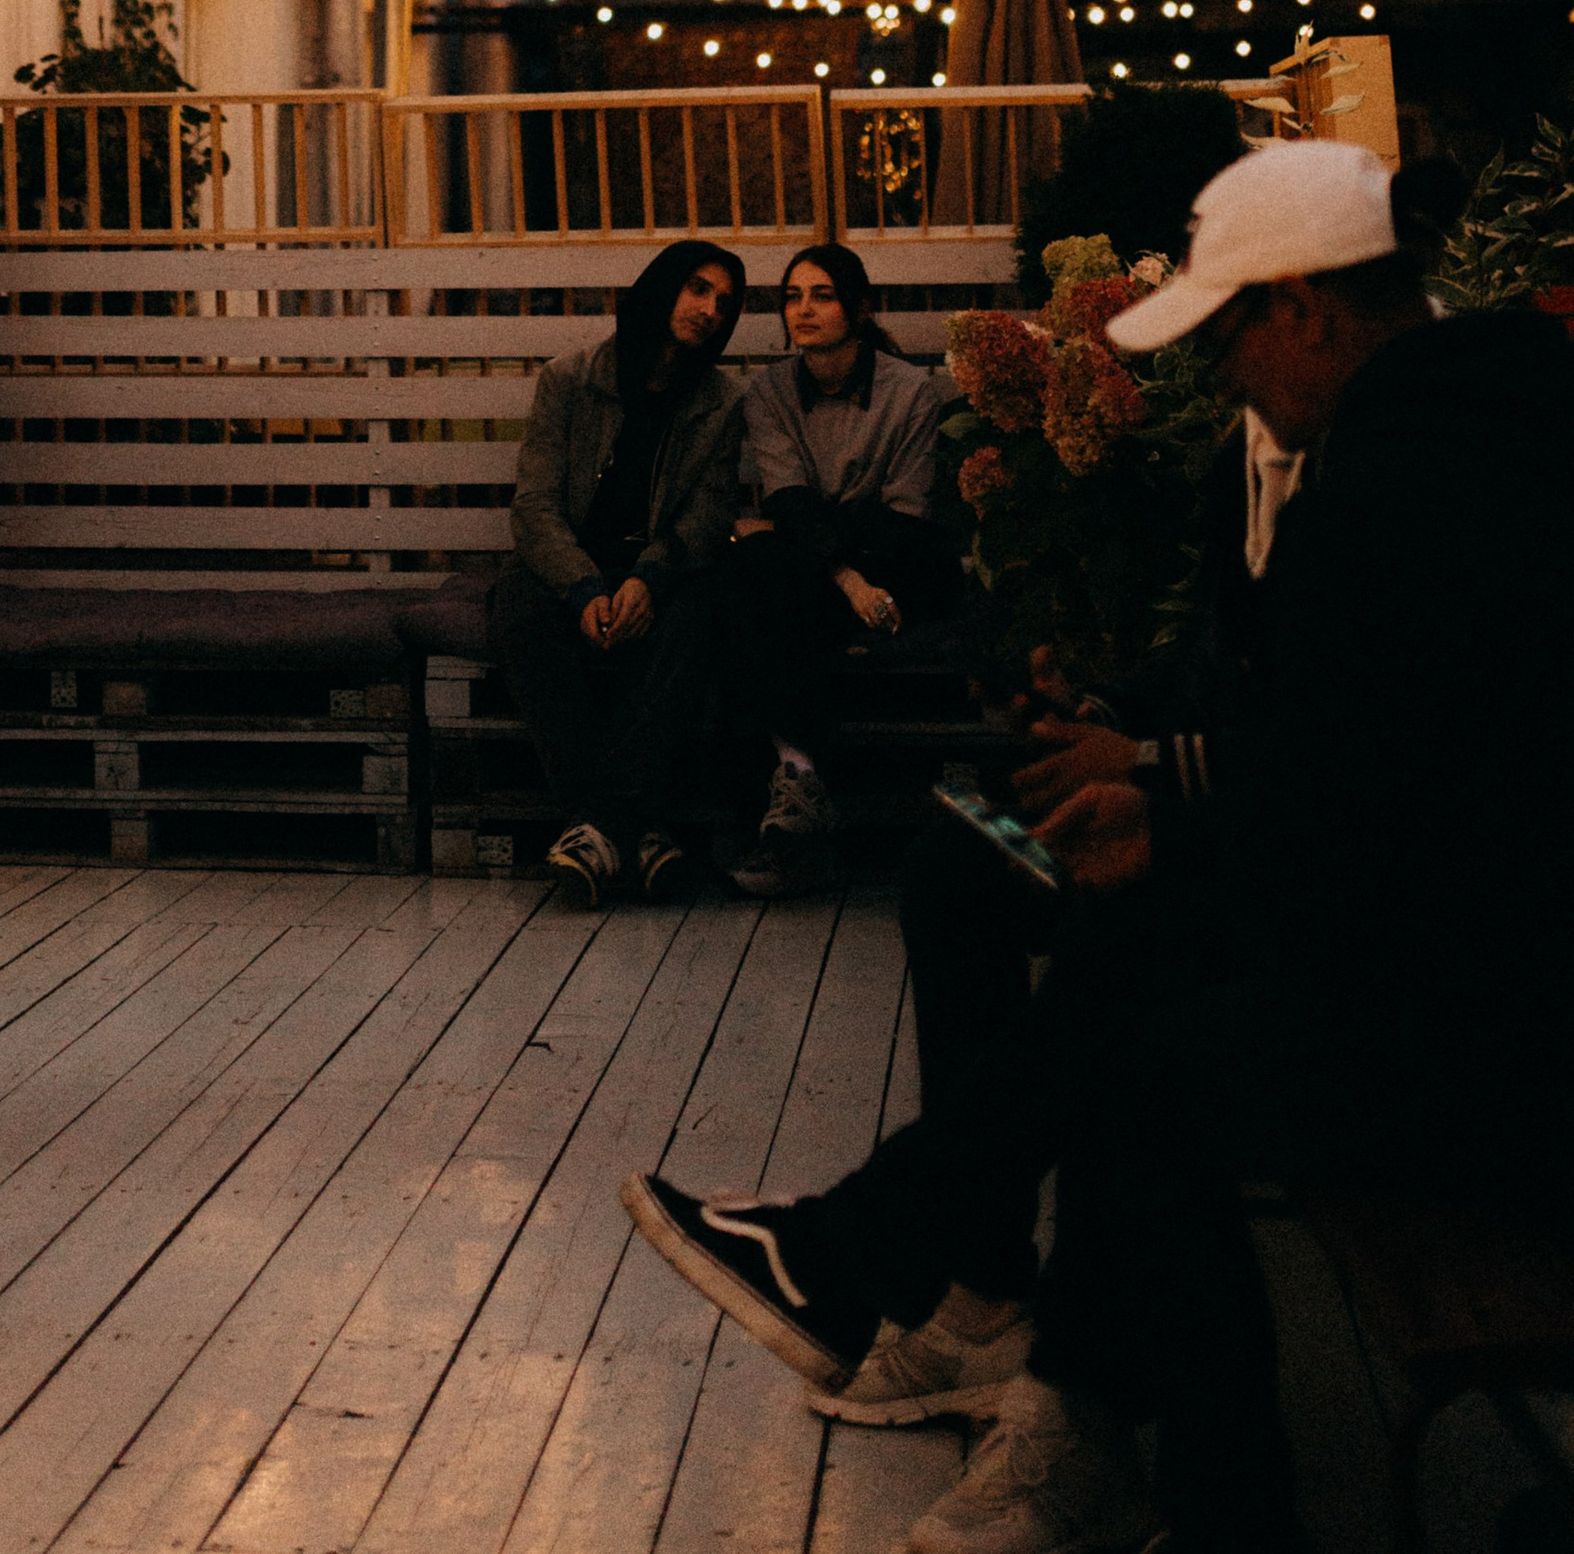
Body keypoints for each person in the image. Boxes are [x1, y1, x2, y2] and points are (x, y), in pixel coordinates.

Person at [622, 137, 1574, 1554]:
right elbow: (1361, 758)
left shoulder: (1410, 477)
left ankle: (920, 1294)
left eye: (1230, 334)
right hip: (1442, 952)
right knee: (1045, 914)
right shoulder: (1426, 434)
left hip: (1494, 1030)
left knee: (1141, 1049)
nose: (1221, 377)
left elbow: (1405, 782)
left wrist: (1171, 792)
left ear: (1305, 306)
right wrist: (1144, 755)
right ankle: (964, 1323)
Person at [490, 239, 749, 908]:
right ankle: (633, 830)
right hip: (573, 565)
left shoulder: (721, 402)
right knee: (516, 606)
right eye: (697, 288)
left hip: (653, 574)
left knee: (701, 613)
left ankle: (597, 827)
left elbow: (705, 517)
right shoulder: (570, 379)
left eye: (724, 302)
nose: (709, 309)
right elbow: (535, 505)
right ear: (662, 288)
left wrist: (649, 580)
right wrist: (582, 587)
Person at [727, 239, 952, 899]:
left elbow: (901, 519)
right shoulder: (768, 393)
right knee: (763, 569)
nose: (804, 309)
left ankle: (792, 799)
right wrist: (846, 579)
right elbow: (788, 496)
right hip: (831, 578)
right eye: (792, 296)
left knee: (768, 565)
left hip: (894, 562)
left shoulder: (910, 391)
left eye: (822, 295)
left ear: (858, 306)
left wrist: (803, 532)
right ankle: (798, 781)